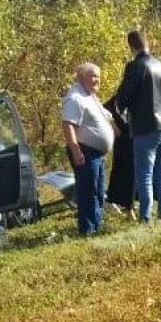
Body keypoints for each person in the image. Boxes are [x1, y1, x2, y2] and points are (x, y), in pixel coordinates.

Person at [114, 30, 161, 223]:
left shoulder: (136, 66)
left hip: (147, 128)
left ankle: (146, 218)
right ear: (147, 43)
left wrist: (118, 111)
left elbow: (122, 98)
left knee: (145, 176)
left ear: (131, 46)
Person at [62, 62, 116, 235]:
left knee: (98, 191)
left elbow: (107, 118)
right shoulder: (75, 98)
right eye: (93, 75)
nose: (97, 80)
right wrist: (76, 149)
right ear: (81, 77)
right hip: (85, 152)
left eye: (98, 76)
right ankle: (87, 230)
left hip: (96, 154)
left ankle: (96, 226)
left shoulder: (90, 96)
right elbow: (68, 124)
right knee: (88, 191)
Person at [102, 95, 136, 220]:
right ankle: (129, 209)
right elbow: (103, 109)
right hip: (124, 142)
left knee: (140, 175)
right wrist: (114, 126)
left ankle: (135, 205)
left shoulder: (143, 95)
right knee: (127, 174)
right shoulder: (119, 98)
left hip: (139, 140)